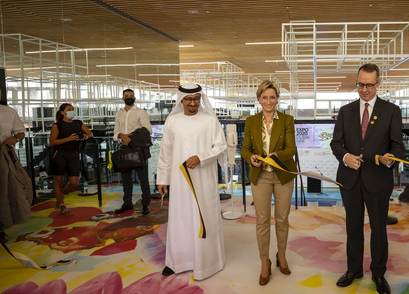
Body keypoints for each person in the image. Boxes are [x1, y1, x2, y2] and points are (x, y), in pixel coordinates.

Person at [330, 63, 405, 294]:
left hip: (378, 179)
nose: (364, 89)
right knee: (353, 227)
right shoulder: (346, 111)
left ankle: (378, 273)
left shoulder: (391, 111)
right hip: (350, 179)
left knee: (378, 229)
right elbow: (336, 144)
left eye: (369, 85)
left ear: (378, 84)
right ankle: (354, 269)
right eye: (360, 84)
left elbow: (398, 147)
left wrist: (391, 158)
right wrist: (345, 158)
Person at [156, 84, 226, 280]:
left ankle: (207, 263)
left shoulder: (209, 120)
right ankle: (177, 261)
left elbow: (220, 147)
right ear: (181, 100)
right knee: (180, 216)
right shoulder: (172, 121)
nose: (193, 103)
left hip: (203, 179)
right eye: (188, 99)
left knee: (202, 215)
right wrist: (162, 178)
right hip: (179, 182)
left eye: (196, 99)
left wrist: (201, 157)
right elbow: (166, 152)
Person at [241, 80, 297, 285]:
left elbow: (291, 148)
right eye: (265, 97)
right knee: (262, 221)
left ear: (277, 99)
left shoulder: (287, 120)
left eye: (272, 97)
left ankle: (281, 255)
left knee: (282, 219)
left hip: (282, 175)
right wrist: (251, 158)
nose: (269, 101)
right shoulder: (251, 121)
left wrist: (277, 155)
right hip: (260, 177)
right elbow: (245, 149)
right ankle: (264, 261)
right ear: (259, 99)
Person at [113, 88, 153, 215]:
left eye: (131, 95)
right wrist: (120, 135)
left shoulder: (141, 112)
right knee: (126, 179)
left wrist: (129, 137)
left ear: (134, 98)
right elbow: (115, 132)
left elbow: (148, 130)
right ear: (122, 98)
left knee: (143, 178)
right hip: (124, 149)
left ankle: (146, 205)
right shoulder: (119, 114)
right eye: (126, 95)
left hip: (138, 149)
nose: (129, 97)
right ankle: (127, 203)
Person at [49, 103, 93, 215]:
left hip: (74, 154)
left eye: (73, 109)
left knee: (74, 182)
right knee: (58, 181)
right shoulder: (57, 125)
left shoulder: (78, 123)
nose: (72, 111)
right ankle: (62, 205)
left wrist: (85, 136)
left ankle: (61, 196)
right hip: (59, 154)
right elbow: (52, 142)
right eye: (69, 109)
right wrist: (68, 139)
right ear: (62, 112)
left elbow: (90, 133)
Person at [0, 89, 28, 243]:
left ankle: (2, 228)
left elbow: (21, 132)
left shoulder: (9, 112)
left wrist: (14, 138)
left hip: (4, 156)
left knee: (4, 191)